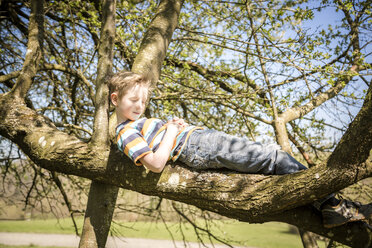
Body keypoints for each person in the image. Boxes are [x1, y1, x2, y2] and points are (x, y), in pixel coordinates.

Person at [108, 71, 372, 229]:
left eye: (144, 100)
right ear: (115, 99)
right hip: (196, 146)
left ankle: (334, 205)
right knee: (273, 157)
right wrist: (172, 132)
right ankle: (334, 205)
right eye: (134, 100)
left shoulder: (136, 124)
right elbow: (155, 163)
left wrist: (173, 126)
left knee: (270, 164)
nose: (141, 105)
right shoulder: (124, 132)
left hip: (198, 142)